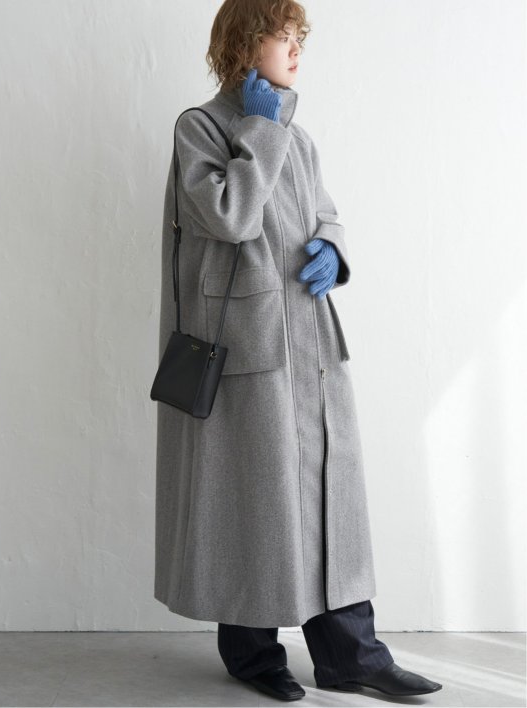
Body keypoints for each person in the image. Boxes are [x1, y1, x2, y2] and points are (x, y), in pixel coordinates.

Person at [153, 0, 443, 701]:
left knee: (327, 500)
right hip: (244, 349)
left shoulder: (298, 136)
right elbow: (228, 216)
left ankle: (353, 657)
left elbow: (325, 212)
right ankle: (252, 656)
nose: (296, 50)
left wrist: (332, 250)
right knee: (253, 501)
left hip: (310, 342)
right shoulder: (201, 128)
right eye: (284, 36)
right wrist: (259, 129)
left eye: (298, 38)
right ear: (246, 42)